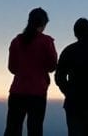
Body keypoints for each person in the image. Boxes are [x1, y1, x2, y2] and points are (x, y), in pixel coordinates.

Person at [4, 8, 58, 136]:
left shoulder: (16, 41)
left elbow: (12, 68)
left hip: (17, 92)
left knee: (12, 129)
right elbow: (52, 66)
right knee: (35, 130)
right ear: (43, 24)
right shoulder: (46, 41)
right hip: (37, 93)